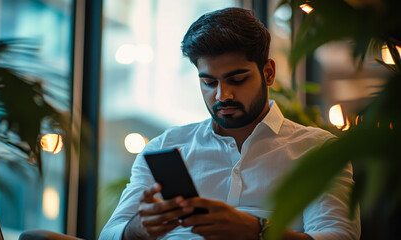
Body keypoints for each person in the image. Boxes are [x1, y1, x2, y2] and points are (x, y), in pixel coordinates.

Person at [99, 7, 360, 240]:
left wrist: (255, 231)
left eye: (237, 79)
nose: (222, 95)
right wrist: (139, 229)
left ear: (268, 73)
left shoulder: (317, 149)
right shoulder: (165, 146)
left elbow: (338, 235)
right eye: (209, 82)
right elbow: (110, 234)